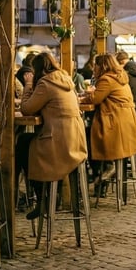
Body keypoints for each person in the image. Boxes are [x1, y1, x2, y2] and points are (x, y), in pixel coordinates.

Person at [19, 52, 88, 220]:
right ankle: (46, 195)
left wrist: (28, 85)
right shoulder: (65, 79)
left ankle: (40, 197)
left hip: (59, 143)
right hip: (76, 141)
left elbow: (27, 109)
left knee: (22, 143)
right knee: (27, 142)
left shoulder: (45, 83)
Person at [84, 53, 136, 186]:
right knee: (90, 135)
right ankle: (103, 175)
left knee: (87, 138)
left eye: (95, 66)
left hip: (116, 125)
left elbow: (95, 99)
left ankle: (104, 169)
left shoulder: (107, 79)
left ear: (102, 66)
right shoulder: (120, 76)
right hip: (128, 124)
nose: (94, 69)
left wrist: (86, 95)